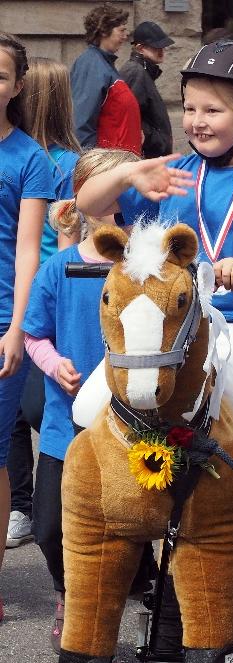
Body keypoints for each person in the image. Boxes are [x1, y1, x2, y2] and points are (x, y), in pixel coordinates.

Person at [75, 40, 233, 635]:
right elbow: (88, 205)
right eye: (189, 108)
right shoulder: (172, 175)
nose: (196, 121)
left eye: (213, 110)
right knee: (89, 408)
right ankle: (123, 547)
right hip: (172, 331)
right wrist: (129, 172)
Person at [21, 148, 139, 652]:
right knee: (49, 527)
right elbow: (33, 335)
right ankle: (68, 594)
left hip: (132, 423)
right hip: (63, 426)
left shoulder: (143, 266)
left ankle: (132, 602)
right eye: (102, 186)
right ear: (84, 196)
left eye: (120, 187)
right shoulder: (58, 267)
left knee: (132, 526)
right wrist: (54, 364)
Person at [5, 57, 81, 550]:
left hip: (40, 302)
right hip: (42, 301)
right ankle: (28, 504)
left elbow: (36, 247)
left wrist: (18, 325)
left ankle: (39, 505)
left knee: (37, 410)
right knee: (28, 414)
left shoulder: (49, 162)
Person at [0, 32, 55, 622]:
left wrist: (17, 327)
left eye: (0, 74)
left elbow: (27, 254)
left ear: (16, 86)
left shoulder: (30, 158)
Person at [70, 3, 141, 154]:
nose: (125, 35)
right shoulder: (91, 65)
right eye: (121, 30)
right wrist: (89, 166)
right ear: (104, 31)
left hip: (116, 164)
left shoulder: (103, 65)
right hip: (105, 167)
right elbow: (81, 123)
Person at [120, 21, 173, 159]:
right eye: (156, 47)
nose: (161, 50)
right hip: (145, 156)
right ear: (140, 48)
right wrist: (155, 140)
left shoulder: (141, 71)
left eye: (163, 46)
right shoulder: (135, 71)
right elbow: (129, 118)